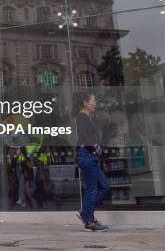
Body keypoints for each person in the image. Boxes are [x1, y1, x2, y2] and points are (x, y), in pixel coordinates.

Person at [74, 91, 110, 232]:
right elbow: (83, 137)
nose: (95, 103)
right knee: (93, 189)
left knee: (104, 186)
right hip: (87, 156)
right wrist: (94, 147)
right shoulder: (82, 117)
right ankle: (89, 221)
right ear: (85, 102)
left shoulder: (86, 117)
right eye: (93, 100)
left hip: (90, 156)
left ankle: (86, 214)